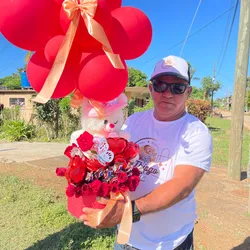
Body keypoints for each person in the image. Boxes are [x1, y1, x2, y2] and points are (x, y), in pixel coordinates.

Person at [81, 55, 213, 250]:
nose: (167, 93)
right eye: (160, 85)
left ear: (188, 92)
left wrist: (128, 212)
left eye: (177, 87)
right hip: (127, 237)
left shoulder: (196, 131)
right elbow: (113, 161)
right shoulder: (134, 121)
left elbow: (181, 186)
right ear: (151, 88)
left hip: (170, 242)